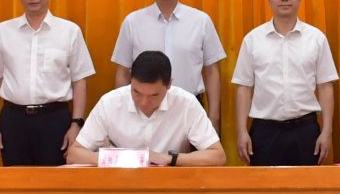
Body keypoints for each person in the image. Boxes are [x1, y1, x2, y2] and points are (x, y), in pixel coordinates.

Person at [0, 0, 95, 167]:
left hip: (54, 120)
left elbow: (79, 81)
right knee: (16, 182)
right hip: (13, 121)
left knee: (53, 182)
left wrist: (76, 124)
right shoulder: (3, 31)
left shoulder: (69, 31)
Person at [232, 0, 339, 166]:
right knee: (264, 186)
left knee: (306, 185)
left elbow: (325, 87)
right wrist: (241, 131)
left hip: (305, 131)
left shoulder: (316, 38)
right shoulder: (253, 40)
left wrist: (326, 131)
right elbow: (244, 88)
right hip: (264, 132)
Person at [111, 0, 228, 128]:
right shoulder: (133, 21)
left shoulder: (201, 21)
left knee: (191, 148)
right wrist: (124, 113)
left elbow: (212, 72)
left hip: (190, 109)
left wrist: (213, 117)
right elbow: (122, 72)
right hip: (144, 108)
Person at [68, 50, 227, 166]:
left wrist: (168, 159)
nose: (144, 102)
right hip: (119, 182)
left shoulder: (186, 103)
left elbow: (218, 156)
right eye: (136, 92)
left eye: (153, 95)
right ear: (130, 80)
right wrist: (120, 159)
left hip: (169, 184)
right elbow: (74, 154)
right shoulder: (110, 103)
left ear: (169, 84)